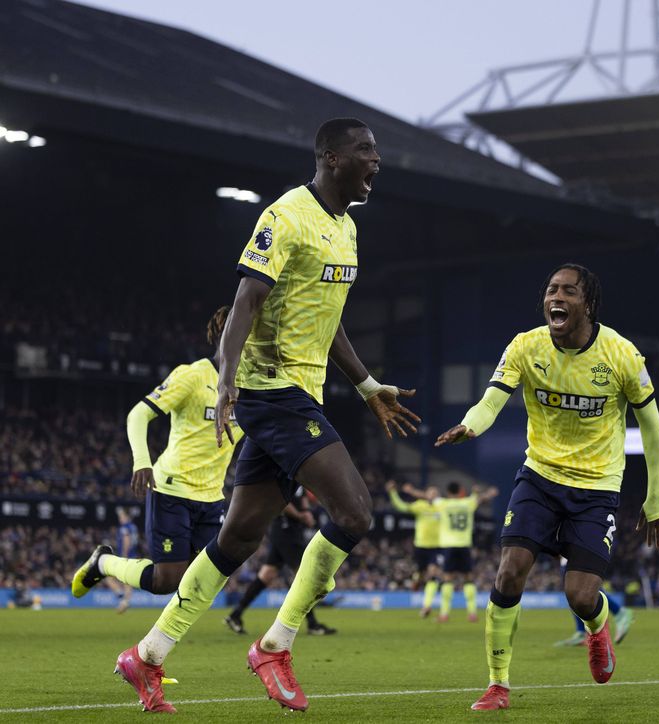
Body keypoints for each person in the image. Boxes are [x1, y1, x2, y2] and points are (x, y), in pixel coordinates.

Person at [112, 118, 420, 714]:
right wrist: (226, 378)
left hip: (303, 393)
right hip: (271, 391)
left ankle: (147, 655)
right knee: (355, 513)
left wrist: (367, 386)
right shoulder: (285, 216)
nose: (376, 162)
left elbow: (327, 323)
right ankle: (275, 645)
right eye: (365, 151)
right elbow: (247, 298)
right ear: (332, 158)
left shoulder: (348, 229)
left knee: (239, 537)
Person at [435, 263, 659, 711]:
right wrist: (469, 426)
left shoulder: (622, 355)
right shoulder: (526, 347)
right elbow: (491, 401)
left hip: (597, 486)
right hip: (540, 477)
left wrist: (655, 498)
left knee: (581, 595)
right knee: (509, 571)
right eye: (550, 290)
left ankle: (598, 626)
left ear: (588, 303)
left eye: (567, 291)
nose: (555, 298)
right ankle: (498, 685)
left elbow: (653, 428)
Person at [72, 308, 241, 603]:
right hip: (172, 488)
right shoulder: (193, 375)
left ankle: (159, 643)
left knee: (208, 579)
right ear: (225, 336)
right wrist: (142, 461)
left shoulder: (253, 389)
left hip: (213, 496)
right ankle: (103, 563)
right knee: (166, 581)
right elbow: (139, 414)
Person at [224, 486, 337, 636]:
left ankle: (235, 615)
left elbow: (302, 498)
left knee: (267, 575)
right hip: (285, 531)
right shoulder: (286, 476)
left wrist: (307, 511)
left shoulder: (299, 479)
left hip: (287, 532)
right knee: (305, 576)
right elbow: (280, 503)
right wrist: (301, 515)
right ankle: (313, 624)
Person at [421, 481, 499, 623]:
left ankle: (444, 614)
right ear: (460, 491)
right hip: (464, 545)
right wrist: (489, 493)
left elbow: (430, 498)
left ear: (448, 492)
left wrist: (424, 492)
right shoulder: (467, 503)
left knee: (447, 579)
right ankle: (472, 613)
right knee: (468, 579)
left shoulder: (443, 503)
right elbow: (482, 499)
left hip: (448, 546)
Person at [385, 480, 443, 617]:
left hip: (436, 547)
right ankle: (417, 579)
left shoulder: (442, 507)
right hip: (420, 547)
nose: (433, 495)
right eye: (431, 492)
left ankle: (426, 606)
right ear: (426, 494)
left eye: (436, 493)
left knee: (433, 574)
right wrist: (392, 493)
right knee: (420, 575)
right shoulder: (420, 506)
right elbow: (401, 507)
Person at [552, 556, 633, 647]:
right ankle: (581, 632)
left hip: (578, 551)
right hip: (567, 555)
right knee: (573, 592)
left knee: (585, 588)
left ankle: (619, 612)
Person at [108, 507, 142, 614]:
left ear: (126, 517)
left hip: (126, 557)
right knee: (127, 581)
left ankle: (121, 596)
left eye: (121, 516)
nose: (120, 518)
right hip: (133, 557)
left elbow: (126, 540)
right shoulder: (133, 527)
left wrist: (124, 554)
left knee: (109, 576)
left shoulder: (124, 528)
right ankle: (125, 601)